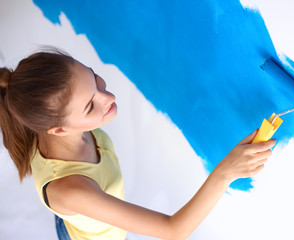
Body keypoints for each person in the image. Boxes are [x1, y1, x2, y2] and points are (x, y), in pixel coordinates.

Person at [0, 48, 276, 240]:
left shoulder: (47, 123)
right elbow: (172, 230)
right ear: (58, 129)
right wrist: (226, 172)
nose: (107, 98)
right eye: (90, 106)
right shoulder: (72, 191)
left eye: (95, 79)